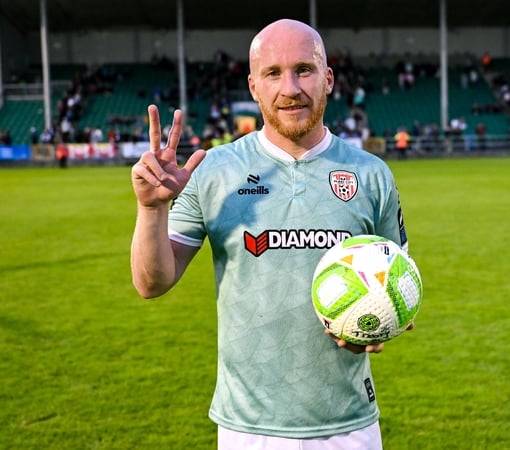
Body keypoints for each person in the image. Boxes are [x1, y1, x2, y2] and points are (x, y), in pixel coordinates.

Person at [130, 19, 411, 450]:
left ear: (328, 79)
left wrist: (375, 329)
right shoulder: (214, 171)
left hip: (348, 425)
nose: (290, 88)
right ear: (254, 86)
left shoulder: (371, 174)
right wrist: (151, 209)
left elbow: (400, 285)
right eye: (273, 73)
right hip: (247, 428)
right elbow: (151, 283)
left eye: (304, 70)